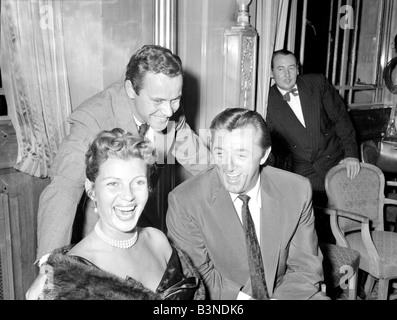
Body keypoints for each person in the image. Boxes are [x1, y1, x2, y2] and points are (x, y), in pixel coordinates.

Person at [36, 44, 209, 261]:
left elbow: (203, 165)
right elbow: (64, 189)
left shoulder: (169, 110)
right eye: (157, 101)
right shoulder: (94, 118)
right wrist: (49, 264)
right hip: (98, 235)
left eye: (175, 99)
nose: (168, 111)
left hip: (143, 225)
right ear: (130, 89)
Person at [166, 108, 328, 300]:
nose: (228, 166)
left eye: (241, 155)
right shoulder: (185, 201)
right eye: (220, 153)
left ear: (264, 154)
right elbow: (197, 277)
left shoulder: (296, 190)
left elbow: (305, 267)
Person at [26, 128, 205, 300]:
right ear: (92, 189)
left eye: (138, 182)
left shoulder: (158, 240)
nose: (128, 196)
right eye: (113, 184)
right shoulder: (72, 275)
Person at [266, 49, 360, 206]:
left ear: (298, 69)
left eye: (291, 68)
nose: (287, 75)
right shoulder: (266, 100)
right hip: (300, 172)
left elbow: (340, 119)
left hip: (335, 162)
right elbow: (268, 144)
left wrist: (351, 155)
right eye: (280, 69)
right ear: (272, 72)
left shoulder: (317, 84)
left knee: (348, 217)